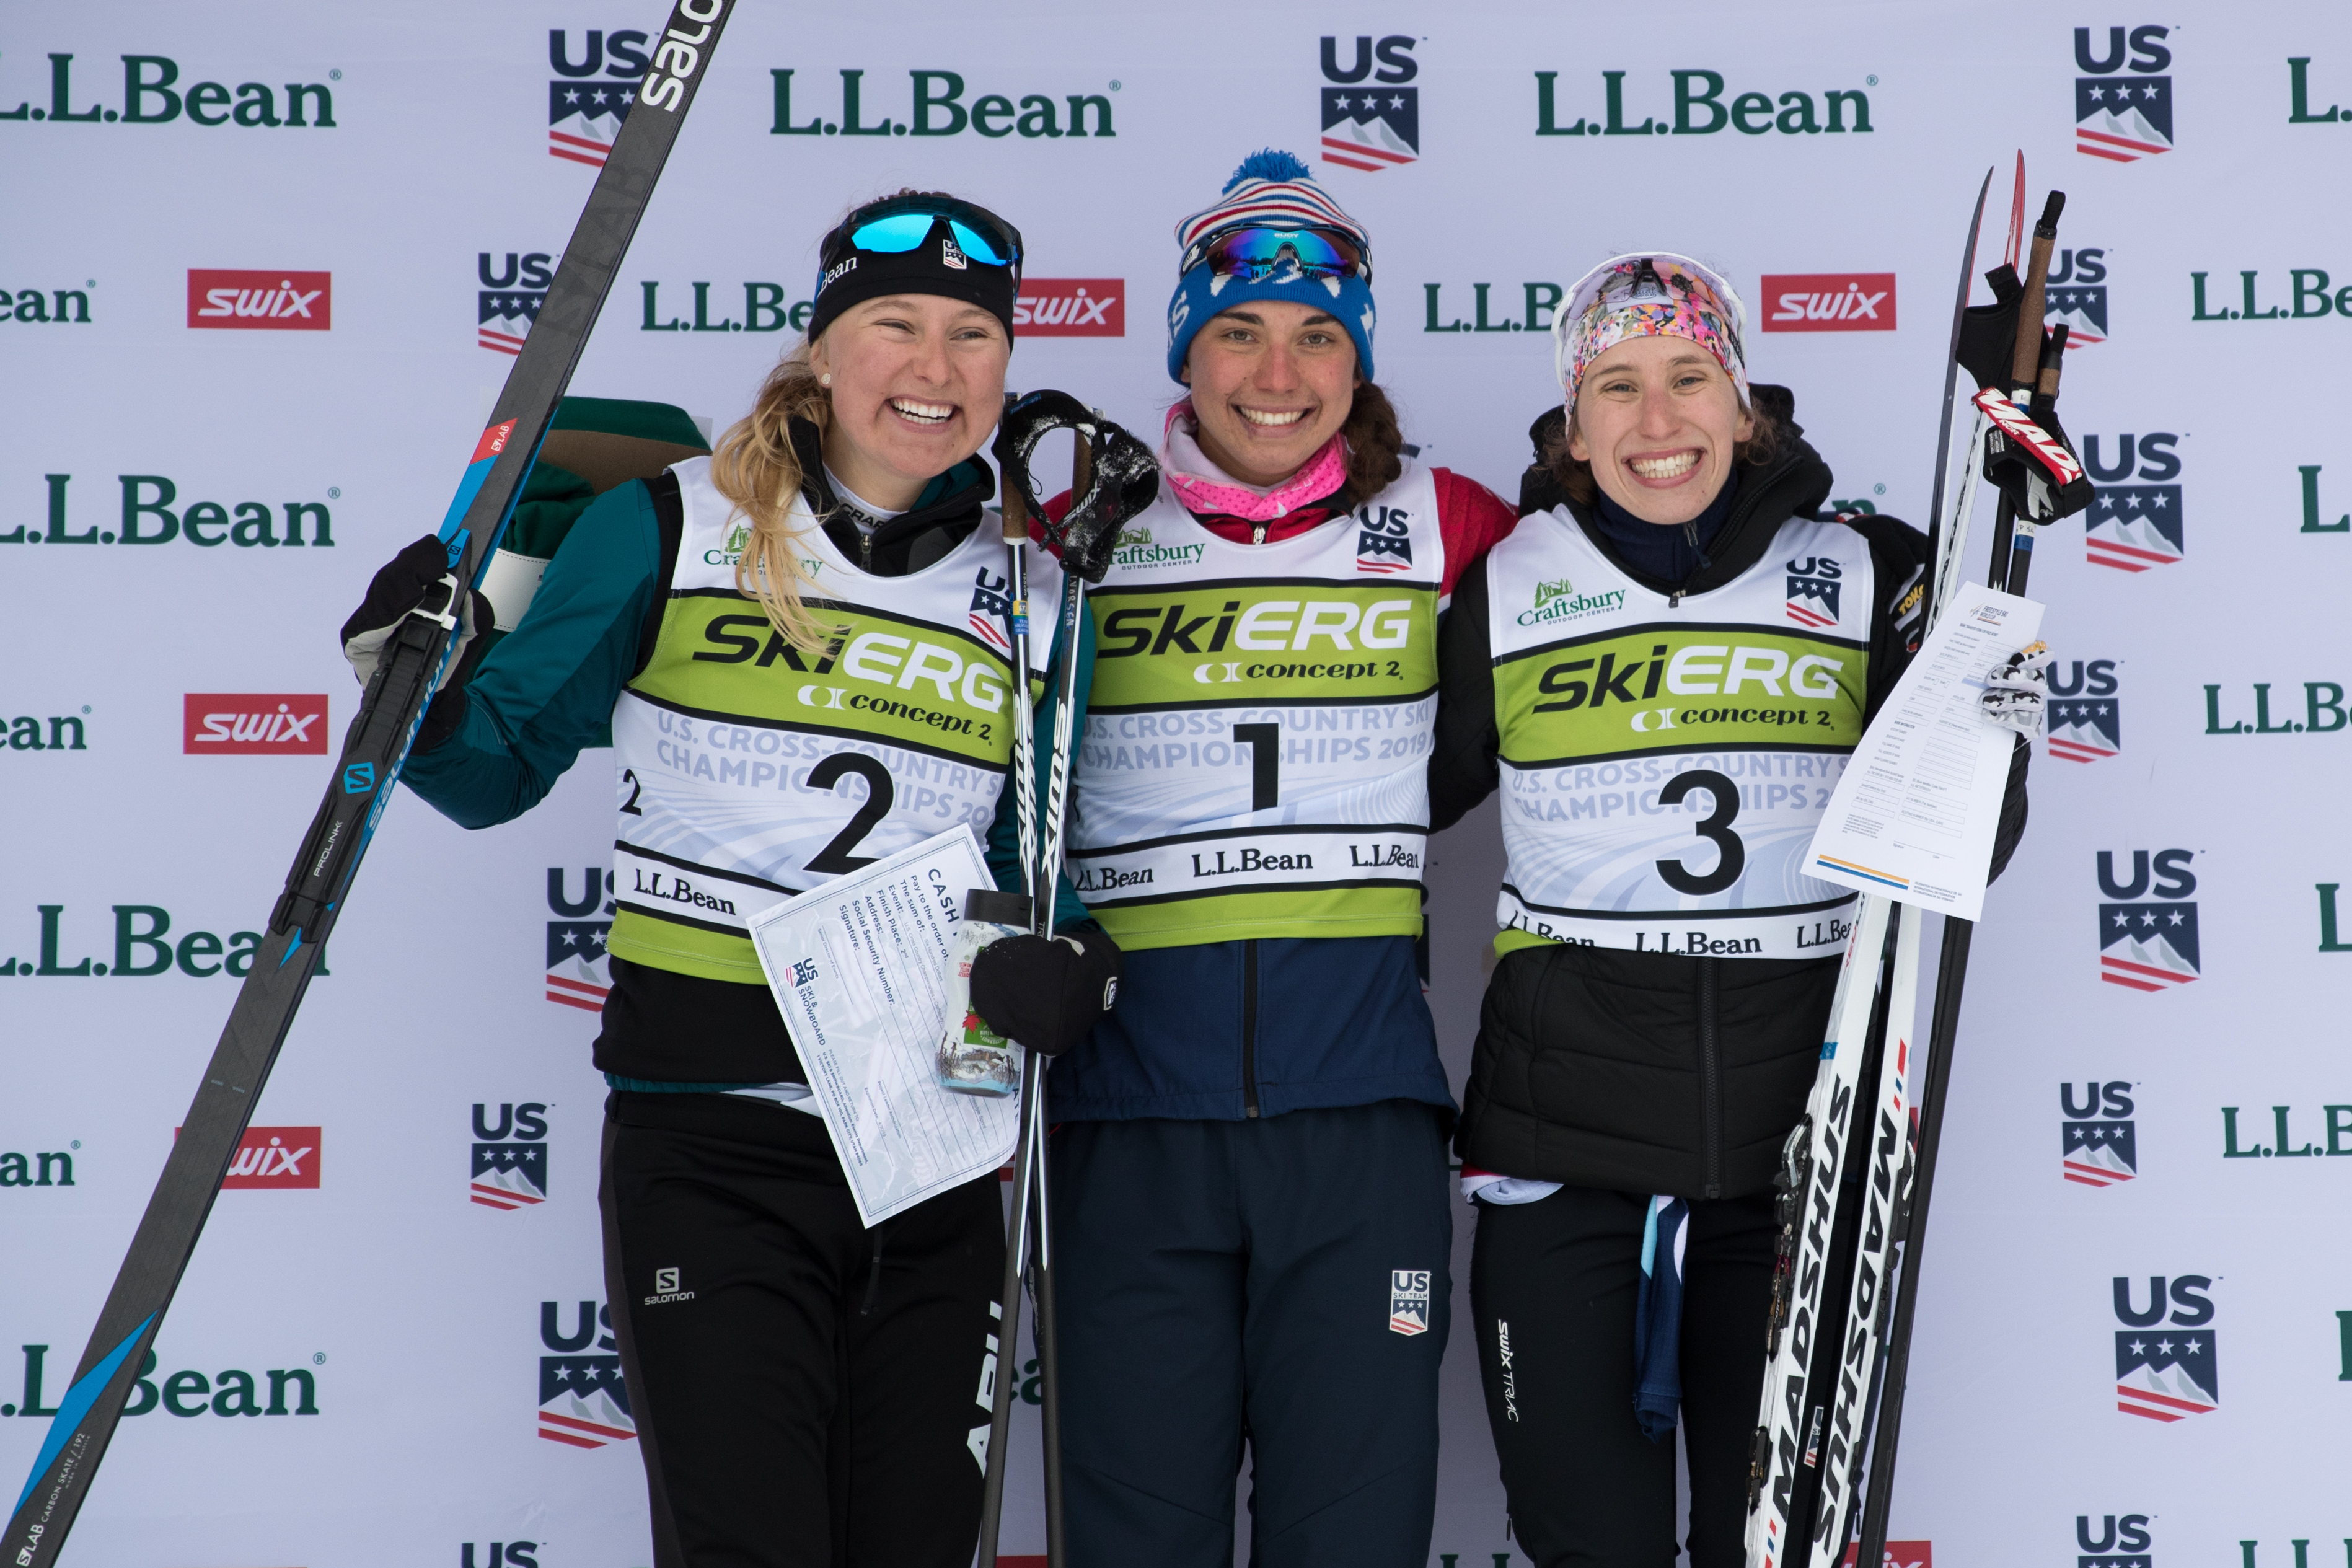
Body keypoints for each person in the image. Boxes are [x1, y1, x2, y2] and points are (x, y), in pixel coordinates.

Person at [338, 192, 1122, 1568]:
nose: (932, 369)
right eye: (893, 326)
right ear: (822, 349)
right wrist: (407, 686)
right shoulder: (670, 523)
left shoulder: (1036, 590)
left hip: (927, 1151)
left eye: (970, 334)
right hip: (711, 1142)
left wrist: (1067, 965)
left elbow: (1027, 871)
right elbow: (490, 775)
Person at [1427, 253, 2033, 1568]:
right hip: (1562, 1161)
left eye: (1689, 377)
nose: (1658, 421)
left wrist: (1988, 683)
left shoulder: (1871, 570)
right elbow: (1381, 806)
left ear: (1743, 402)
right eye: (1616, 386)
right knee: (1586, 1543)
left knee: (1777, 1549)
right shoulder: (1504, 587)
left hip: (1796, 1168)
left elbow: (1964, 842)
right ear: (1571, 430)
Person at [1038, 150, 1520, 1566]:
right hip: (1126, 1117)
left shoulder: (1449, 525)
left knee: (1354, 1532)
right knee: (1132, 1534)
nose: (1277, 368)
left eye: (1318, 333)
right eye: (1238, 329)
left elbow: (1620, 617)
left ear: (1357, 359)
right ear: (1184, 346)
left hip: (1358, 1119)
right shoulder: (1078, 529)